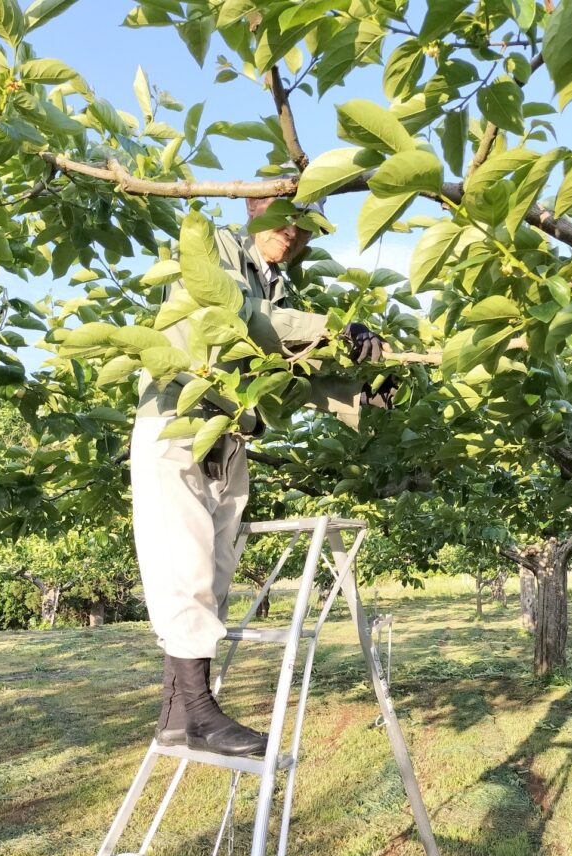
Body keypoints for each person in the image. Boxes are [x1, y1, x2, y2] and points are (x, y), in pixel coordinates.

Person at [130, 195, 390, 758]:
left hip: (227, 435)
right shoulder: (220, 250)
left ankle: (178, 716)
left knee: (215, 570)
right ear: (253, 210)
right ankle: (198, 713)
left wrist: (357, 390)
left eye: (305, 225)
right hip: (178, 423)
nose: (292, 232)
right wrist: (336, 328)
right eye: (282, 216)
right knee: (185, 565)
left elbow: (283, 373)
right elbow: (246, 320)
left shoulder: (279, 290)